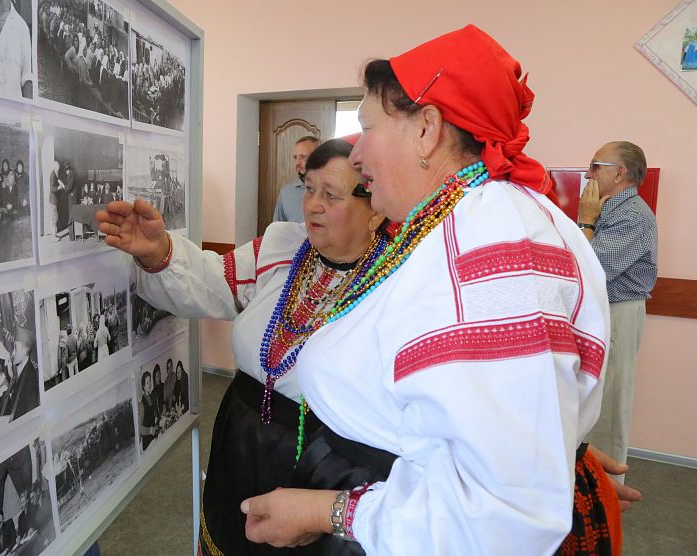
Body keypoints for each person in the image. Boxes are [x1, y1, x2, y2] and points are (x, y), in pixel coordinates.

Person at [235, 25, 620, 555]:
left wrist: (327, 511)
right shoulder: (460, 222)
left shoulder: (489, 237)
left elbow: (497, 514)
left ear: (427, 130)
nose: (360, 157)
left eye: (367, 128)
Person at [96, 138, 387, 554]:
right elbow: (213, 280)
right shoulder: (281, 248)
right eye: (308, 188)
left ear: (375, 208)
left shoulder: (397, 282)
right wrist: (158, 251)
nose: (312, 206)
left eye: (332, 195)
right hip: (241, 438)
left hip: (326, 463)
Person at [579, 142, 658, 473]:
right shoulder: (609, 208)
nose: (588, 173)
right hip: (602, 310)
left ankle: (609, 492)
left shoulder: (632, 215)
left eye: (595, 165)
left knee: (609, 405)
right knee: (592, 398)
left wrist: (585, 221)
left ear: (619, 172)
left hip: (618, 311)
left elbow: (588, 267)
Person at [272, 136, 320, 223]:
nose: (297, 162)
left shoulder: (331, 191)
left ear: (319, 157)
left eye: (303, 156)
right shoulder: (286, 192)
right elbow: (278, 230)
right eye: (295, 157)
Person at [137, 371, 157, 450]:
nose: (150, 384)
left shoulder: (151, 397)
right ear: (144, 386)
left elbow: (153, 416)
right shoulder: (142, 404)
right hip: (147, 441)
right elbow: (140, 429)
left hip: (154, 437)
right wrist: (150, 430)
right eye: (147, 383)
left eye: (150, 381)